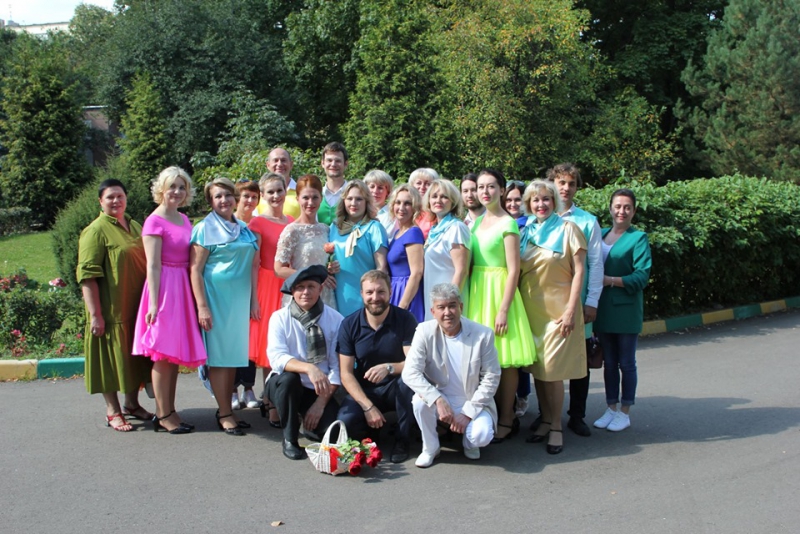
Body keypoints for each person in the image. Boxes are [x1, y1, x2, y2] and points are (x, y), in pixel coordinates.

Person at [133, 167, 206, 434]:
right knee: (162, 354)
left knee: (173, 355)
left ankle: (170, 410)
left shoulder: (184, 219)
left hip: (182, 287)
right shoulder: (154, 221)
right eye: (172, 186)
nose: (177, 191)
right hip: (164, 289)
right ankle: (162, 414)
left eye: (181, 187)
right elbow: (152, 265)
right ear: (161, 189)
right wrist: (154, 304)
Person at [78, 179, 152, 432]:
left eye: (120, 196)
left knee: (133, 358)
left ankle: (132, 404)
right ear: (100, 201)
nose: (116, 201)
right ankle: (113, 410)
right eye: (110, 197)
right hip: (111, 310)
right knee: (109, 361)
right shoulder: (95, 231)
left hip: (135, 307)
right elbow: (87, 276)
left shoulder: (134, 225)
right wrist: (95, 315)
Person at [466, 168, 535, 442]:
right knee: (482, 361)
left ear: (502, 190)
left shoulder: (508, 223)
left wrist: (504, 309)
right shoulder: (475, 223)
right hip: (478, 293)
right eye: (480, 187)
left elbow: (514, 269)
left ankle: (507, 417)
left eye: (491, 186)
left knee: (505, 361)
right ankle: (489, 414)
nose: (484, 191)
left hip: (499, 293)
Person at [518, 180, 587, 455]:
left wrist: (571, 310)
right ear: (528, 204)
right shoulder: (526, 232)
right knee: (539, 370)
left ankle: (557, 426)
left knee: (553, 370)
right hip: (531, 311)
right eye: (535, 200)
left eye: (546, 199)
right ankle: (545, 420)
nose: (541, 204)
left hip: (559, 311)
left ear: (554, 201)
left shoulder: (569, 229)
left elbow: (580, 272)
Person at [402, 283, 501, 468]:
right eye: (441, 307)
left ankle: (469, 443)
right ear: (433, 311)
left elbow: (491, 377)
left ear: (461, 307)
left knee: (481, 435)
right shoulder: (424, 331)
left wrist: (468, 413)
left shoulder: (483, 334)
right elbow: (409, 372)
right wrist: (437, 399)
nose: (447, 312)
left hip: (472, 399)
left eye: (452, 306)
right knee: (419, 401)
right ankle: (431, 448)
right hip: (441, 397)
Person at [190, 177, 259, 436]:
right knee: (220, 358)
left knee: (233, 358)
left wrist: (253, 300)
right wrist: (202, 307)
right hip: (216, 300)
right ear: (210, 201)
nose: (224, 200)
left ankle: (227, 409)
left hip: (238, 302)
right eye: (217, 196)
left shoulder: (242, 228)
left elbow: (252, 265)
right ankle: (224, 413)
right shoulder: (204, 229)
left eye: (228, 195)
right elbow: (195, 270)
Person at [544, 163, 604, 437]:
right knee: (546, 359)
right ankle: (546, 415)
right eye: (561, 182)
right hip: (545, 304)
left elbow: (595, 264)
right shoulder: (540, 217)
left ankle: (576, 415)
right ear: (552, 184)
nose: (566, 188)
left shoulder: (587, 221)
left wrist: (591, 301)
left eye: (571, 183)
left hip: (576, 303)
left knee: (580, 360)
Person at [337, 270, 417, 463]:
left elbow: (413, 363)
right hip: (366, 389)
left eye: (381, 291)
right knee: (345, 423)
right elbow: (345, 373)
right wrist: (368, 407)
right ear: (362, 294)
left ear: (390, 292)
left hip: (396, 387)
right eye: (369, 292)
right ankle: (373, 431)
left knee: (408, 384)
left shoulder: (405, 319)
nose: (375, 297)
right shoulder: (349, 324)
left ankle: (403, 440)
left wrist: (389, 368)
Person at [266, 265, 344, 460]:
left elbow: (337, 367)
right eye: (300, 287)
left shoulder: (336, 319)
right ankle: (290, 438)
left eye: (311, 286)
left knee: (331, 434)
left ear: (320, 289)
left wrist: (320, 404)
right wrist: (309, 368)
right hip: (284, 384)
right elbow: (277, 357)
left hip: (319, 389)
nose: (305, 292)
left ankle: (307, 422)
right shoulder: (279, 318)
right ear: (292, 291)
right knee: (289, 379)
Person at [592, 189, 652, 433]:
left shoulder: (638, 238)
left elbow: (641, 276)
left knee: (626, 363)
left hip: (626, 311)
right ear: (610, 208)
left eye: (627, 207)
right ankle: (611, 407)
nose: (622, 211)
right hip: (602, 309)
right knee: (608, 363)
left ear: (634, 211)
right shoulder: (601, 234)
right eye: (617, 206)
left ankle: (625, 411)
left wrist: (610, 280)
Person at [248, 172, 293, 425]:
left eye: (279, 190)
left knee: (288, 340)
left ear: (286, 191)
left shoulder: (292, 221)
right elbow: (254, 263)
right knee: (270, 344)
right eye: (270, 192)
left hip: (288, 285)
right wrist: (254, 298)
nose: (276, 196)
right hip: (266, 285)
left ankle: (278, 397)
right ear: (263, 195)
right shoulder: (257, 223)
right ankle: (271, 402)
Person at [275, 174, 338, 309]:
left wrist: (330, 268)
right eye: (305, 198)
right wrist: (312, 276)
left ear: (321, 198)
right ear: (297, 199)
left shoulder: (325, 229)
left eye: (315, 197)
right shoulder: (292, 230)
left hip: (325, 294)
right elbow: (279, 269)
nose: (310, 203)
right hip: (302, 294)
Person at [328, 180, 388, 316]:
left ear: (367, 202)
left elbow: (381, 268)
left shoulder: (374, 228)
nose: (353, 203)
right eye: (349, 199)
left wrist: (374, 295)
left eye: (359, 199)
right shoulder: (334, 227)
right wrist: (329, 268)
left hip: (366, 294)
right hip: (339, 292)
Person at [231, 180, 262, 410]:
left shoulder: (257, 224)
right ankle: (232, 389)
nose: (250, 201)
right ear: (237, 199)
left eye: (254, 197)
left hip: (253, 285)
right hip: (230, 288)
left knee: (250, 338)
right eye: (246, 196)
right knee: (232, 339)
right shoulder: (229, 223)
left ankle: (248, 388)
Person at [386, 184, 425, 322]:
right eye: (398, 202)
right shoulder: (398, 232)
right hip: (394, 289)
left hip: (406, 292)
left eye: (407, 203)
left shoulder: (413, 233)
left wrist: (403, 305)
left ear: (415, 207)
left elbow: (417, 272)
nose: (401, 208)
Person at [256, 147, 300, 219]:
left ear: (291, 164)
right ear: (268, 165)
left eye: (283, 160)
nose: (279, 164)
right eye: (275, 160)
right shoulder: (257, 194)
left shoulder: (301, 191)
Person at [318, 142, 349, 225]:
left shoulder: (353, 194)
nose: (333, 164)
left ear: (345, 164)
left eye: (338, 161)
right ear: (323, 163)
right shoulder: (316, 194)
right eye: (329, 160)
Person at [410, 168, 439, 239]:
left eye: (427, 184)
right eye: (418, 183)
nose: (422, 187)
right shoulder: (407, 208)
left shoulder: (436, 212)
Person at [364, 169, 395, 235]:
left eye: (380, 188)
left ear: (387, 192)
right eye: (372, 187)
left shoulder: (391, 216)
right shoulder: (359, 212)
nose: (375, 191)